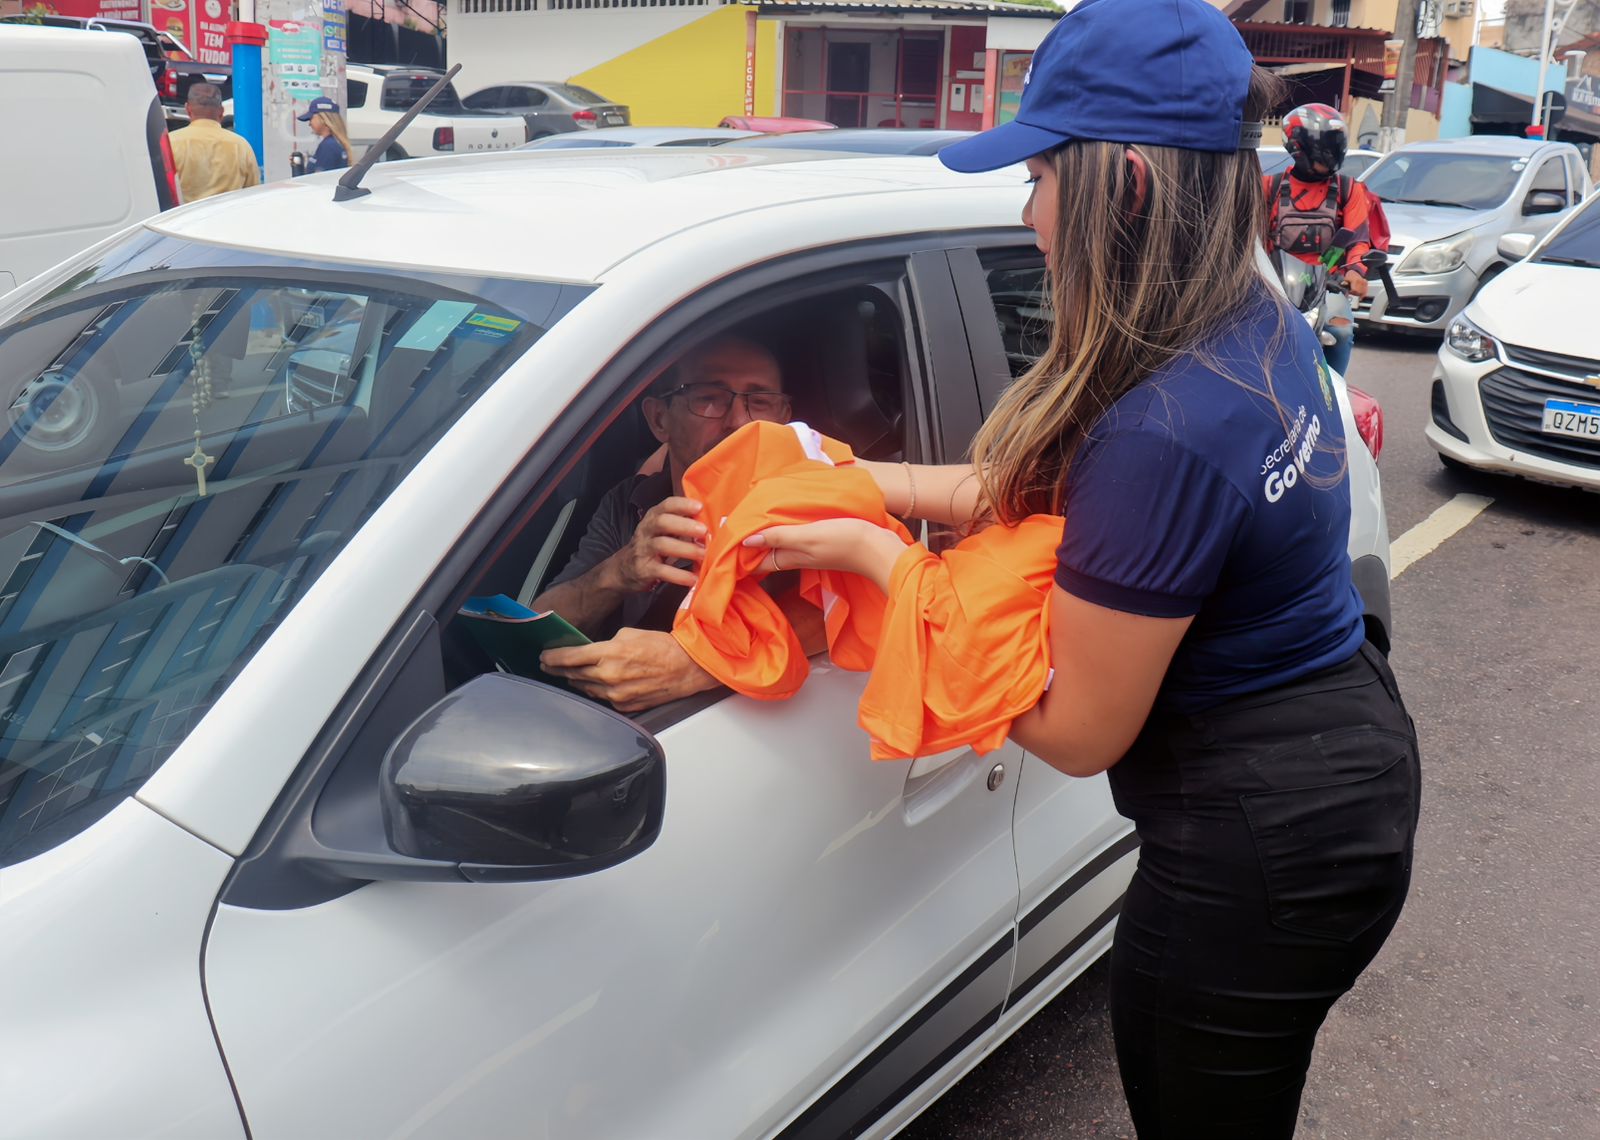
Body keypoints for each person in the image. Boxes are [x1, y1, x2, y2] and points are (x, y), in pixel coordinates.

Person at [741, 1, 1420, 1135]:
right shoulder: (1239, 328)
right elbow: (1055, 491)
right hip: (1339, 762)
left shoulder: (1165, 428)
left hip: (1259, 851)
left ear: (1128, 189)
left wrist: (879, 563)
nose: (1028, 216)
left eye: (1041, 179)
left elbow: (1074, 732)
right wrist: (862, 480)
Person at [536, 335, 820, 712]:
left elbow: (843, 611)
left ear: (783, 420)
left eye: (761, 401)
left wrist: (696, 663)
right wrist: (619, 571)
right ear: (659, 419)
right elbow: (539, 631)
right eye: (709, 397)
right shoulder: (630, 503)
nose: (739, 422)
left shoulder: (810, 504)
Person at [1264, 102, 1389, 378]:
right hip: (1276, 290)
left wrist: (1355, 271)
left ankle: (1335, 390)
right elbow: (1252, 242)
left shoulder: (1348, 189)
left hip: (1327, 287)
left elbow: (1358, 238)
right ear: (1299, 147)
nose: (1332, 154)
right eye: (1327, 147)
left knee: (1340, 331)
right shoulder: (1269, 188)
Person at [167, 83, 260, 202]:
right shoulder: (241, 146)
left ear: (188, 109)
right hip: (227, 213)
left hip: (184, 214)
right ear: (221, 112)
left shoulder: (171, 143)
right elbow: (253, 194)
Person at [295, 97, 353, 175]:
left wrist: (297, 170)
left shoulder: (329, 146)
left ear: (323, 119)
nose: (309, 124)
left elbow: (318, 180)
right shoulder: (336, 143)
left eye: (311, 118)